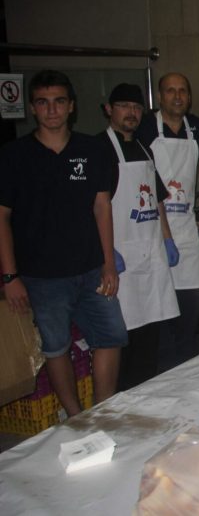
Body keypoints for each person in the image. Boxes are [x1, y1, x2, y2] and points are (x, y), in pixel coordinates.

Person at [0, 70, 125, 415]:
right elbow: (2, 217)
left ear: (71, 106)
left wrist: (108, 263)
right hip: (42, 275)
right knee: (56, 347)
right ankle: (75, 417)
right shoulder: (13, 155)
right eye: (43, 102)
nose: (51, 109)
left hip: (91, 268)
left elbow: (102, 207)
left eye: (58, 101)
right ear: (32, 108)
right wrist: (10, 277)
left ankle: (102, 412)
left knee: (112, 335)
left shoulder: (92, 149)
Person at [100, 83, 178, 389]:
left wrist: (167, 239)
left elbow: (157, 199)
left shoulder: (145, 148)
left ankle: (146, 394)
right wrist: (105, 251)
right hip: (121, 257)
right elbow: (94, 206)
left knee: (150, 333)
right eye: (123, 106)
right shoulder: (99, 148)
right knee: (123, 336)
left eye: (135, 107)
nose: (130, 113)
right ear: (109, 109)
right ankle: (122, 398)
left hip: (151, 250)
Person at [136, 72, 199, 369]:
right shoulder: (145, 127)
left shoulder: (197, 128)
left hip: (188, 228)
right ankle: (164, 373)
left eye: (182, 91)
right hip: (153, 229)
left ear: (189, 97)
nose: (177, 96)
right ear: (159, 96)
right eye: (170, 91)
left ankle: (186, 370)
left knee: (192, 304)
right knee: (161, 312)